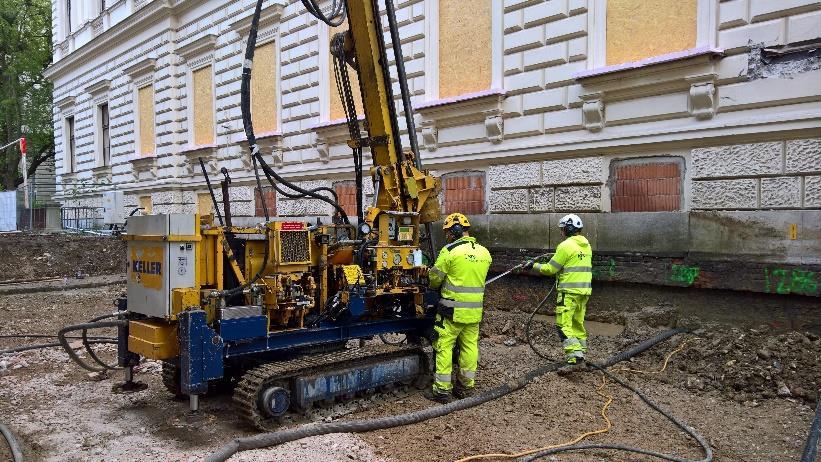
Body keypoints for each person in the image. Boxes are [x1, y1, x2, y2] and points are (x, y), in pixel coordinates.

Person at [426, 213, 492, 403]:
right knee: (469, 347)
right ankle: (465, 387)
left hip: (451, 311)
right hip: (474, 311)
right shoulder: (484, 253)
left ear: (454, 230)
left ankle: (442, 390)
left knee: (444, 346)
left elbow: (435, 278)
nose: (447, 236)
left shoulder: (450, 251)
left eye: (448, 232)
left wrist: (431, 282)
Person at [524, 214, 592, 371]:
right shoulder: (586, 246)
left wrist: (533, 266)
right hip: (584, 292)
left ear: (568, 228)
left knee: (563, 324)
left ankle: (575, 358)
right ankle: (581, 354)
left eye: (562, 229)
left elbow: (550, 269)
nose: (561, 232)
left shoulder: (566, 246)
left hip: (569, 292)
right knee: (577, 324)